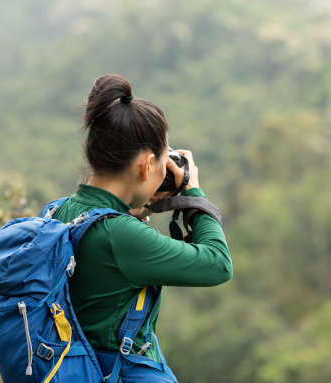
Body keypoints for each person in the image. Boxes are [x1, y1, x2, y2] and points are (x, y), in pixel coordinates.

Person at [51, 74, 232, 382]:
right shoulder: (119, 234)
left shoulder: (64, 209)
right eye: (163, 161)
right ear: (146, 166)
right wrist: (193, 194)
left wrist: (136, 210)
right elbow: (218, 264)